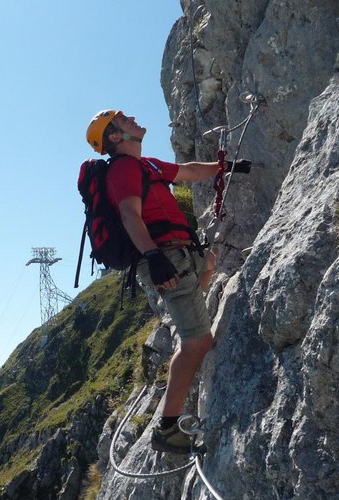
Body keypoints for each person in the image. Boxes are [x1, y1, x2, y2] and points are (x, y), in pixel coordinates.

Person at [85, 109, 234, 454]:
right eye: (123, 118)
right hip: (166, 256)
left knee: (209, 263)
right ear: (115, 137)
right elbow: (129, 214)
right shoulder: (123, 169)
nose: (132, 117)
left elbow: (188, 171)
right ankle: (167, 429)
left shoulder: (147, 164)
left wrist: (222, 168)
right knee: (197, 341)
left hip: (182, 253)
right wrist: (153, 258)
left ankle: (191, 315)